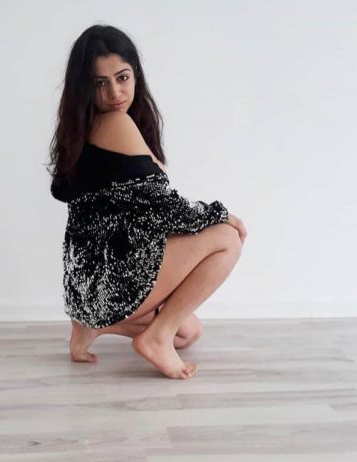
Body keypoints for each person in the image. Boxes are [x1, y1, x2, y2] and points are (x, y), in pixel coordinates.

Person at [48, 24, 247, 380]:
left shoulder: (84, 130)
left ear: (135, 74)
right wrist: (220, 214)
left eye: (122, 77)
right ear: (85, 87)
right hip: (107, 280)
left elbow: (142, 212)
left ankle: (93, 327)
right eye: (100, 83)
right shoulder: (114, 123)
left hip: (86, 287)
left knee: (189, 332)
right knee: (227, 239)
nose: (114, 92)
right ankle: (155, 339)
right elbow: (163, 205)